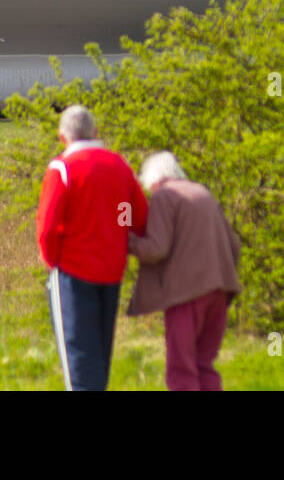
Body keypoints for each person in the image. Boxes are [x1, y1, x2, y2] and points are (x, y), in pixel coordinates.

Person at [36, 105, 147, 391]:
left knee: (80, 367)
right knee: (100, 357)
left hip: (73, 273)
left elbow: (48, 226)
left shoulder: (62, 168)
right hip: (111, 272)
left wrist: (52, 262)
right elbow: (136, 217)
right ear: (96, 132)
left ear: (63, 137)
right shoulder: (118, 164)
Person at [127, 151, 242, 391]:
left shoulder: (164, 196)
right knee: (205, 365)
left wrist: (127, 240)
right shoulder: (203, 193)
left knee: (182, 369)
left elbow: (157, 248)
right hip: (220, 290)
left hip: (186, 295)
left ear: (153, 181)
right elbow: (234, 247)